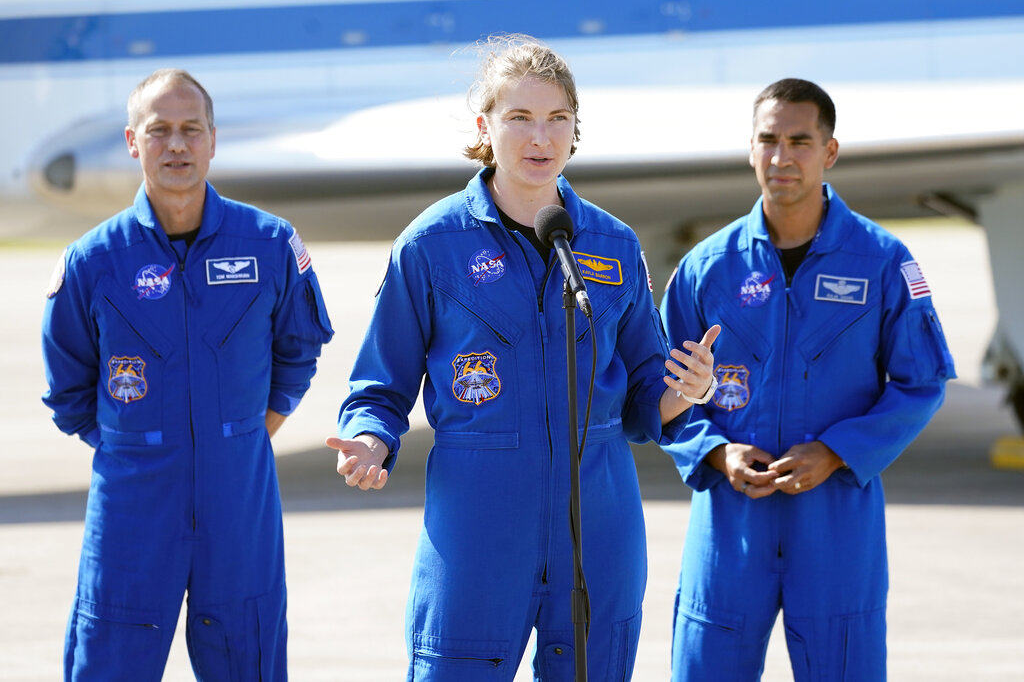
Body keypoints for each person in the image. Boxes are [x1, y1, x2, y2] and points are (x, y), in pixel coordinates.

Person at [326, 34, 718, 680]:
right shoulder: (431, 245)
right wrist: (370, 438)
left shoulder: (613, 246)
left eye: (557, 119)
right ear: (485, 126)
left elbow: (648, 398)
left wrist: (690, 387)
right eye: (520, 118)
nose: (541, 138)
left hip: (600, 527)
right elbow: (377, 386)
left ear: (575, 130)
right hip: (478, 528)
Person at [41, 68, 334, 680]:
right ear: (132, 142)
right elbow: (69, 392)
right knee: (109, 661)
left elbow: (298, 351)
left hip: (239, 503)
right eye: (159, 131)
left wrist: (244, 434)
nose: (176, 145)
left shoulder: (270, 244)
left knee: (246, 657)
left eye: (190, 130)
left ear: (212, 140)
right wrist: (142, 450)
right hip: (131, 508)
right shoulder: (93, 261)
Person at [660, 77, 957, 681]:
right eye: (768, 140)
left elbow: (920, 382)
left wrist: (835, 452)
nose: (781, 157)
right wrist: (715, 453)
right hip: (729, 522)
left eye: (800, 140)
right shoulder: (706, 269)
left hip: (836, 521)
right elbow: (660, 391)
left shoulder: (882, 261)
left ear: (830, 151)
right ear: (749, 148)